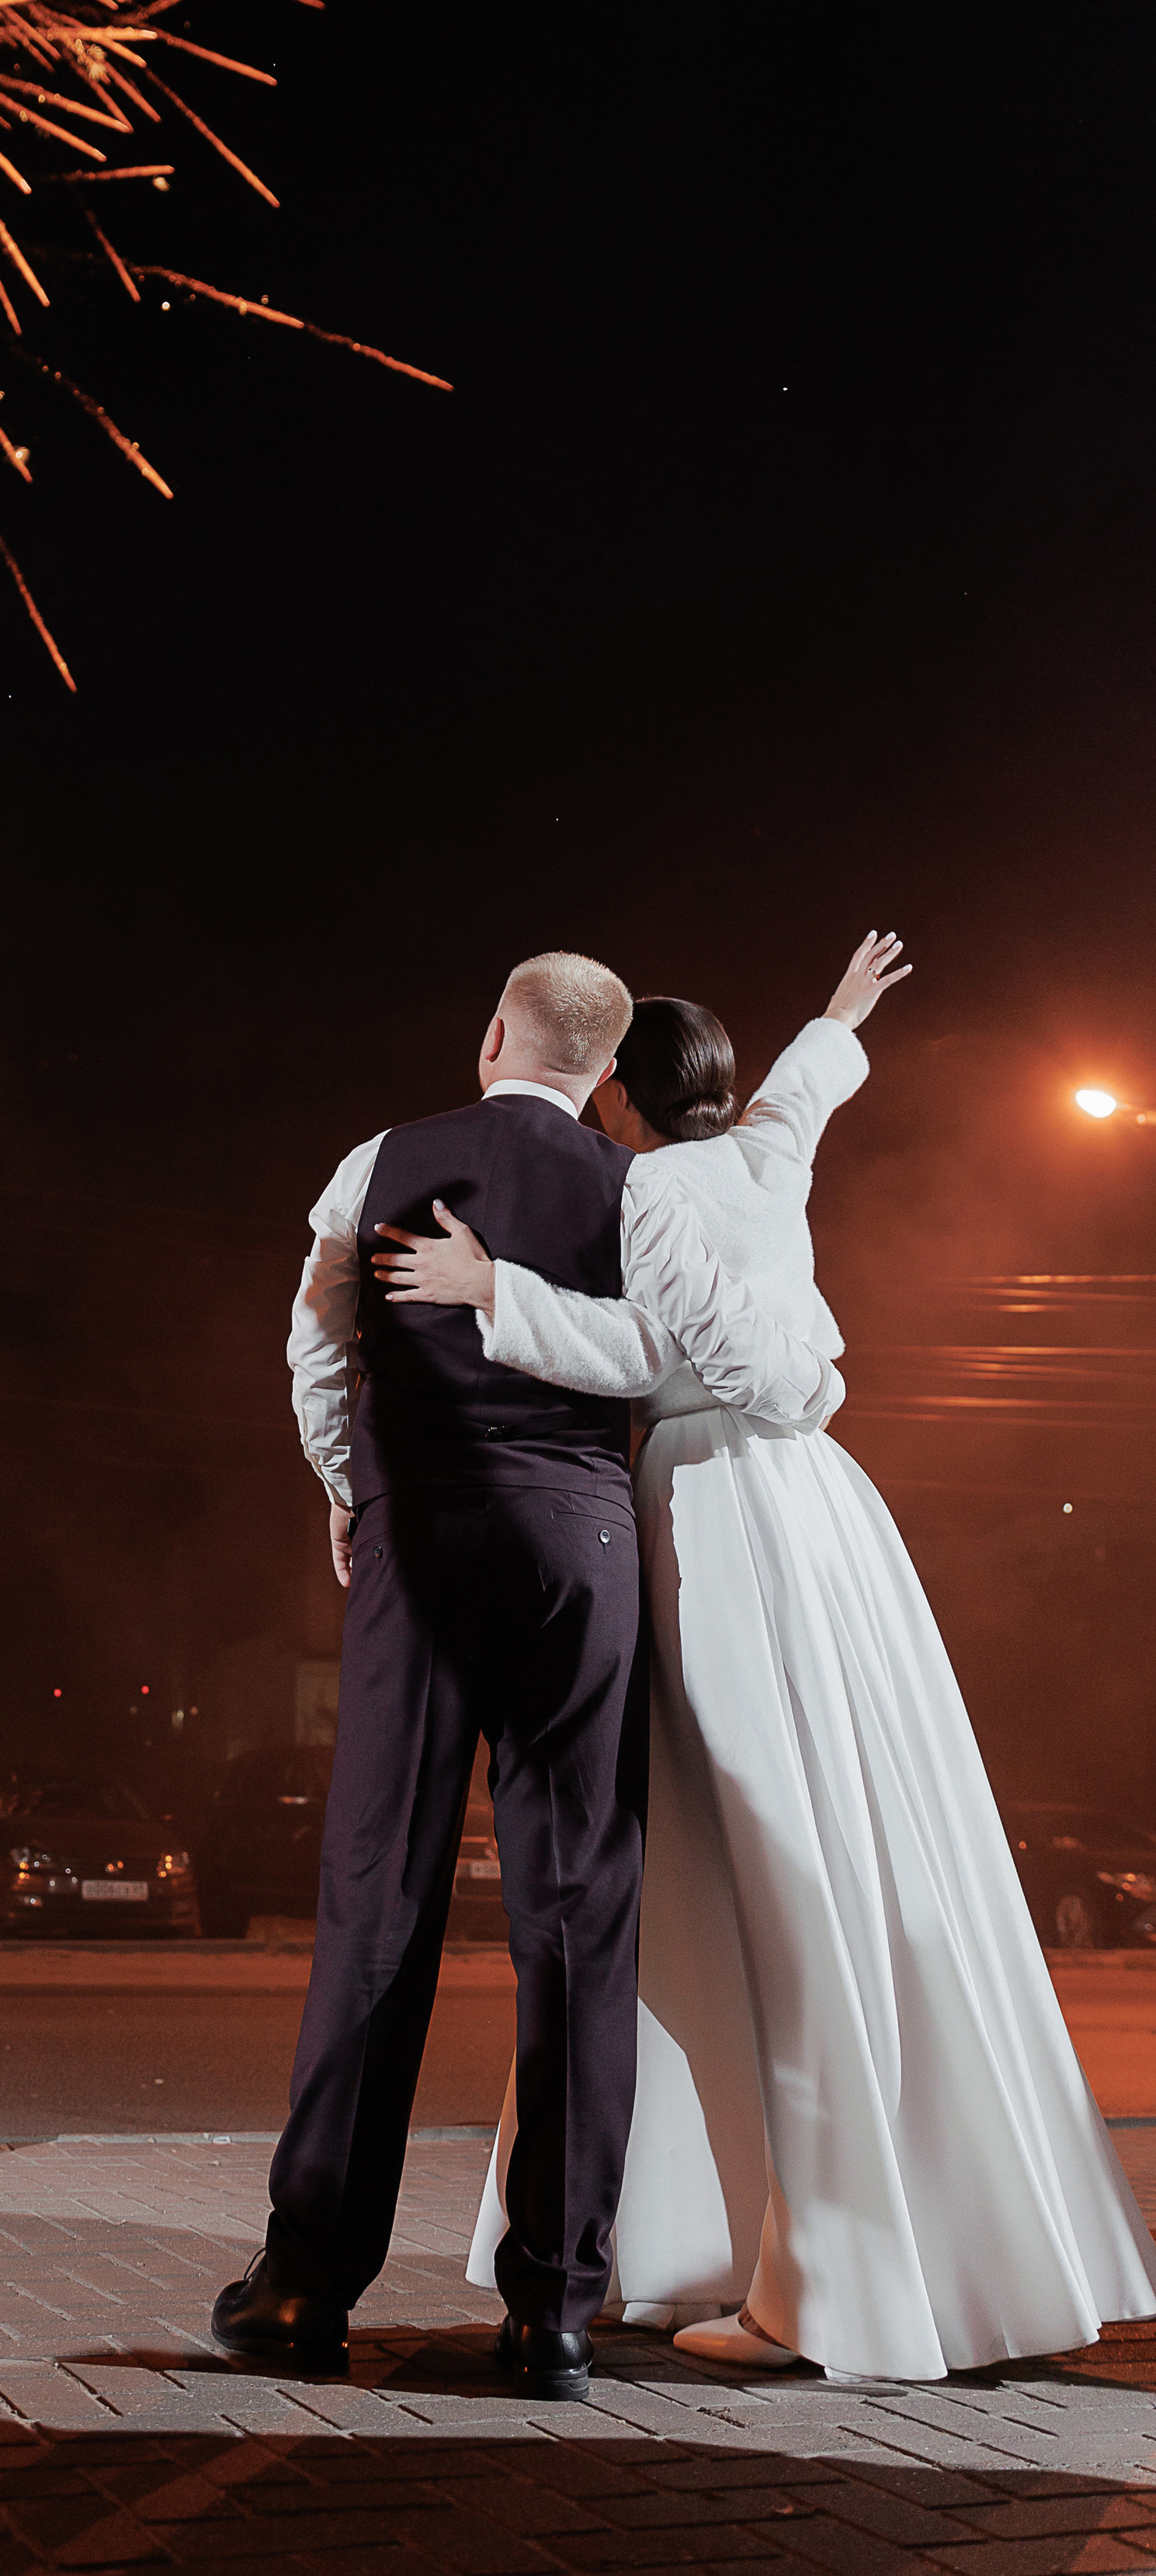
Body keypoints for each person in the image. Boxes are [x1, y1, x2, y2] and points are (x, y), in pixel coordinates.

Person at [375, 935, 1156, 2379]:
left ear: (616, 1089)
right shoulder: (756, 1159)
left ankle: (814, 2275)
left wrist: (496, 1293)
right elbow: (803, 1106)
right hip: (821, 1512)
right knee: (816, 1841)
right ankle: (753, 2236)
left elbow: (674, 1350)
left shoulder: (658, 1183)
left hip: (720, 1507)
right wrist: (837, 1022)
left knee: (748, 1856)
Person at [209, 950, 845, 2400]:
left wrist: (343, 1482)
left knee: (379, 1899)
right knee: (578, 1920)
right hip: (579, 1551)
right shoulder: (640, 1192)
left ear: (493, 1030)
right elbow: (695, 1354)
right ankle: (551, 2309)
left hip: (421, 1545)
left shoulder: (379, 1159)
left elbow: (319, 1337)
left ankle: (306, 2287)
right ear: (603, 1071)